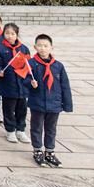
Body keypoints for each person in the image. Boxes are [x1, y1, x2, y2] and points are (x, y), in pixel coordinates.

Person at [27, 34, 73, 167]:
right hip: (38, 102)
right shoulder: (31, 64)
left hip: (54, 103)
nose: (42, 48)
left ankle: (50, 151)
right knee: (37, 127)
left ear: (52, 47)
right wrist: (30, 83)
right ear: (35, 47)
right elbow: (23, 79)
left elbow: (65, 86)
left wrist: (67, 104)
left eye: (45, 46)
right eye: (39, 45)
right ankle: (37, 150)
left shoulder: (58, 66)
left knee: (51, 128)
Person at [0, 22, 31, 143]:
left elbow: (29, 64)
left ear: (17, 34)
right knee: (9, 109)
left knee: (22, 109)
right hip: (8, 85)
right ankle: (10, 130)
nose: (10, 36)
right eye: (7, 33)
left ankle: (20, 130)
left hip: (22, 85)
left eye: (12, 34)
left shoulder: (23, 49)